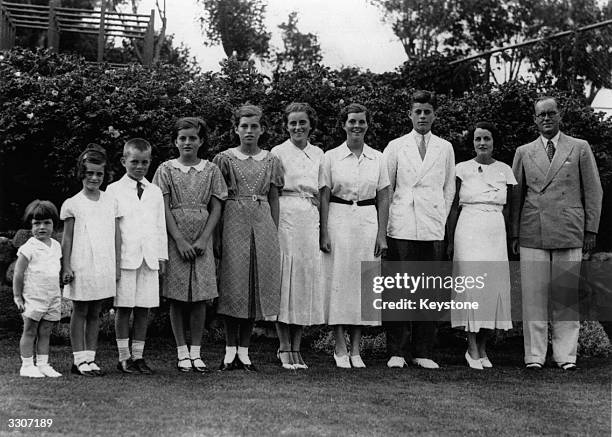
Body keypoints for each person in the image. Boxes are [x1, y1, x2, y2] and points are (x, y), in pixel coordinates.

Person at [511, 96, 602, 370]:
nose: (547, 119)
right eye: (542, 115)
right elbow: (516, 195)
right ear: (535, 120)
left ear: (560, 116)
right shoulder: (523, 152)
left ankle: (565, 356)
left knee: (565, 296)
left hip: (569, 229)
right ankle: (534, 356)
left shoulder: (579, 147)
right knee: (533, 296)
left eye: (551, 113)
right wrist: (514, 233)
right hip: (533, 230)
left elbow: (594, 191)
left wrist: (590, 228)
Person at [382, 90, 455, 369]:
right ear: (410, 115)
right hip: (401, 225)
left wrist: (440, 218)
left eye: (427, 111)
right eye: (418, 112)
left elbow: (449, 189)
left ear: (434, 115)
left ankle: (423, 351)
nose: (422, 116)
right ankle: (397, 351)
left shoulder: (445, 147)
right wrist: (387, 225)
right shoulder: (396, 145)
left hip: (432, 226)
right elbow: (386, 188)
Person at [213, 104, 284, 372]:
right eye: (244, 126)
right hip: (233, 221)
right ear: (236, 129)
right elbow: (218, 199)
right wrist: (217, 235)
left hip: (262, 223)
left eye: (254, 126)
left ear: (262, 129)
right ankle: (230, 350)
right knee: (234, 284)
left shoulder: (271, 160)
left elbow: (274, 198)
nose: (249, 131)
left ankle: (245, 351)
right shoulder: (225, 159)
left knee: (255, 285)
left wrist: (273, 232)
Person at [153, 117, 227, 373]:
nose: (187, 142)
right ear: (175, 141)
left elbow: (217, 206)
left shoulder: (211, 170)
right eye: (182, 138)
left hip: (202, 237)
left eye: (192, 138)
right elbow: (161, 206)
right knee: (177, 298)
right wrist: (180, 240)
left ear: (201, 141)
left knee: (199, 298)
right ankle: (181, 352)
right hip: (176, 237)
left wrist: (205, 238)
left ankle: (196, 352)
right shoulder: (165, 170)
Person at [319, 103, 390, 369]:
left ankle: (357, 349)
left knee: (363, 283)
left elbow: (384, 196)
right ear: (343, 125)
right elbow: (324, 194)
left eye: (361, 121)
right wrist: (323, 231)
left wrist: (381, 234)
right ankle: (339, 346)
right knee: (339, 281)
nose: (356, 126)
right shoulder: (331, 156)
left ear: (367, 125)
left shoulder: (378, 157)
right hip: (338, 218)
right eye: (352, 122)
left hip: (367, 221)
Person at [447, 122, 516, 369]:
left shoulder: (505, 170)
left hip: (495, 232)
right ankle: (471, 347)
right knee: (472, 288)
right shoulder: (461, 169)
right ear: (473, 142)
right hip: (468, 231)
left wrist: (509, 238)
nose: (482, 143)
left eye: (487, 138)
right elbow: (453, 205)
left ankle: (484, 346)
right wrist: (450, 239)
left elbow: (509, 209)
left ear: (494, 141)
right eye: (478, 139)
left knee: (492, 289)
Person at [106, 138, 167, 374]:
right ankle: (124, 358)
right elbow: (112, 228)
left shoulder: (154, 191)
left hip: (149, 259)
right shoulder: (113, 190)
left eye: (144, 162)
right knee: (124, 308)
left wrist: (161, 257)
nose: (139, 167)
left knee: (144, 308)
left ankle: (139, 357)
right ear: (124, 161)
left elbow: (159, 226)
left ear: (150, 162)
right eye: (134, 162)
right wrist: (114, 262)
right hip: (126, 259)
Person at [271, 102, 325, 370]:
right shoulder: (278, 152)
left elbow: (322, 190)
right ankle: (283, 347)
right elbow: (273, 191)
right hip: (285, 216)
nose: (297, 127)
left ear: (310, 125)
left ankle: (297, 347)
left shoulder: (319, 153)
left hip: (309, 217)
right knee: (286, 279)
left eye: (302, 122)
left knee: (303, 280)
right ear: (286, 126)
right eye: (292, 123)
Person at [61, 144, 121, 377]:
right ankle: (78, 360)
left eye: (99, 174)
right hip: (82, 263)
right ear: (81, 174)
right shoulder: (73, 203)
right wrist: (66, 265)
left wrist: (115, 265)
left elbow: (116, 235)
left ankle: (90, 358)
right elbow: (67, 239)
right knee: (81, 309)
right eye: (90, 173)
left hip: (103, 262)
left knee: (96, 311)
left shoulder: (110, 201)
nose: (94, 178)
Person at [13, 200, 63, 378]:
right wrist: (18, 297)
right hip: (33, 296)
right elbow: (18, 274)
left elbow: (56, 268)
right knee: (30, 330)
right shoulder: (28, 248)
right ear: (30, 225)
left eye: (46, 223)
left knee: (45, 331)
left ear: (53, 225)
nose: (42, 227)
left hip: (52, 296)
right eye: (37, 223)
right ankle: (27, 365)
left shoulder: (56, 246)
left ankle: (43, 364)